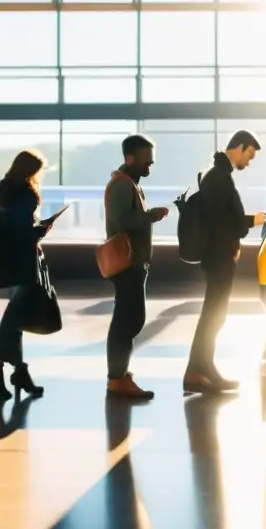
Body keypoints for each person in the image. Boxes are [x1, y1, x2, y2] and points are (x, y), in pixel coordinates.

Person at [184, 130, 266, 394]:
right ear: (240, 147)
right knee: (213, 315)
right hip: (219, 256)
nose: (249, 162)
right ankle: (200, 370)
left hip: (217, 255)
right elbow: (224, 221)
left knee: (214, 315)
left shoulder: (215, 173)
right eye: (249, 156)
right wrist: (252, 221)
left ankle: (199, 370)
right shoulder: (219, 177)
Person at [0, 149, 57, 400]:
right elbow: (24, 231)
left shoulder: (4, 190)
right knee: (14, 318)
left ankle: (19, 371)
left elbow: (11, 226)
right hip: (24, 261)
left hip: (9, 261)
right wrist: (43, 229)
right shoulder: (26, 193)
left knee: (17, 316)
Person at [104, 134, 170, 400]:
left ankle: (120, 375)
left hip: (134, 263)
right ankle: (117, 378)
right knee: (126, 320)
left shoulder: (129, 183)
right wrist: (149, 216)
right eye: (146, 162)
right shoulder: (122, 185)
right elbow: (122, 221)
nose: (148, 168)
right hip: (128, 263)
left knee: (131, 319)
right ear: (129, 158)